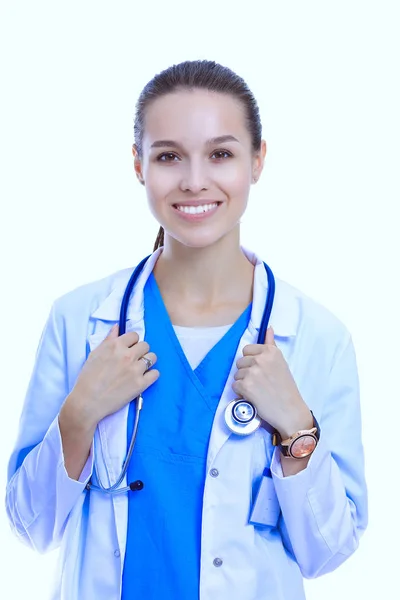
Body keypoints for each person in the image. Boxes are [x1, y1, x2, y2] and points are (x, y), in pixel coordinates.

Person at [5, 60, 368, 600]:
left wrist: (296, 429)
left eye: (220, 154)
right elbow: (32, 527)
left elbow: (328, 552)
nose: (195, 180)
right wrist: (79, 414)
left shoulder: (317, 337)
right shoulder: (78, 320)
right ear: (138, 164)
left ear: (258, 160)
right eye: (169, 156)